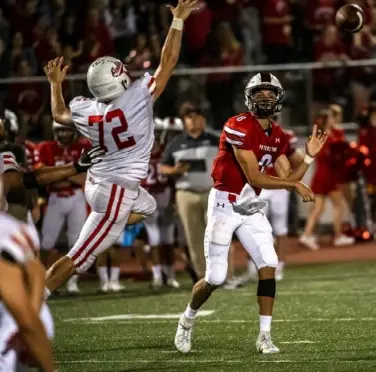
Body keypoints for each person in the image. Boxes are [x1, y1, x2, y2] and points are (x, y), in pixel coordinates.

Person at [43, 0, 199, 296]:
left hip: (98, 181)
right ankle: (34, 302)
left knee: (149, 206)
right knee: (77, 256)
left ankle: (100, 236)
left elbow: (58, 115)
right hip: (117, 188)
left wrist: (55, 84)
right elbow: (168, 61)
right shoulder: (138, 96)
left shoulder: (85, 108)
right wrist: (178, 20)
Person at [174, 72, 327, 354]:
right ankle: (187, 320)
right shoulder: (238, 125)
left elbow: (287, 175)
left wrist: (308, 157)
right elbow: (255, 177)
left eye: (271, 94)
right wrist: (295, 184)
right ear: (249, 98)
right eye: (260, 94)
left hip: (251, 205)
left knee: (268, 263)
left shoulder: (278, 134)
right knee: (216, 278)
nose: (266, 99)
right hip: (224, 202)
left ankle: (265, 336)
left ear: (279, 99)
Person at [0, 154, 55, 372]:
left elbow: (22, 310)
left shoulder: (10, 233)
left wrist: (29, 325)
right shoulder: (15, 231)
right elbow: (37, 272)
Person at [34, 121, 91, 294]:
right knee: (46, 243)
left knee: (77, 242)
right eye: (61, 131)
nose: (65, 134)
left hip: (76, 197)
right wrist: (72, 172)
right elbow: (42, 176)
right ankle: (42, 280)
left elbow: (84, 179)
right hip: (55, 199)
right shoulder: (45, 148)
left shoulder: (83, 147)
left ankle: (72, 282)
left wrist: (59, 174)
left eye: (67, 130)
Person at [300, 109, 355, 250]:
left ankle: (307, 235)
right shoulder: (323, 137)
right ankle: (337, 236)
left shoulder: (326, 135)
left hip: (322, 174)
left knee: (319, 208)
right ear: (325, 120)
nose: (332, 120)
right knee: (336, 205)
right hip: (326, 175)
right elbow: (331, 156)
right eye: (330, 118)